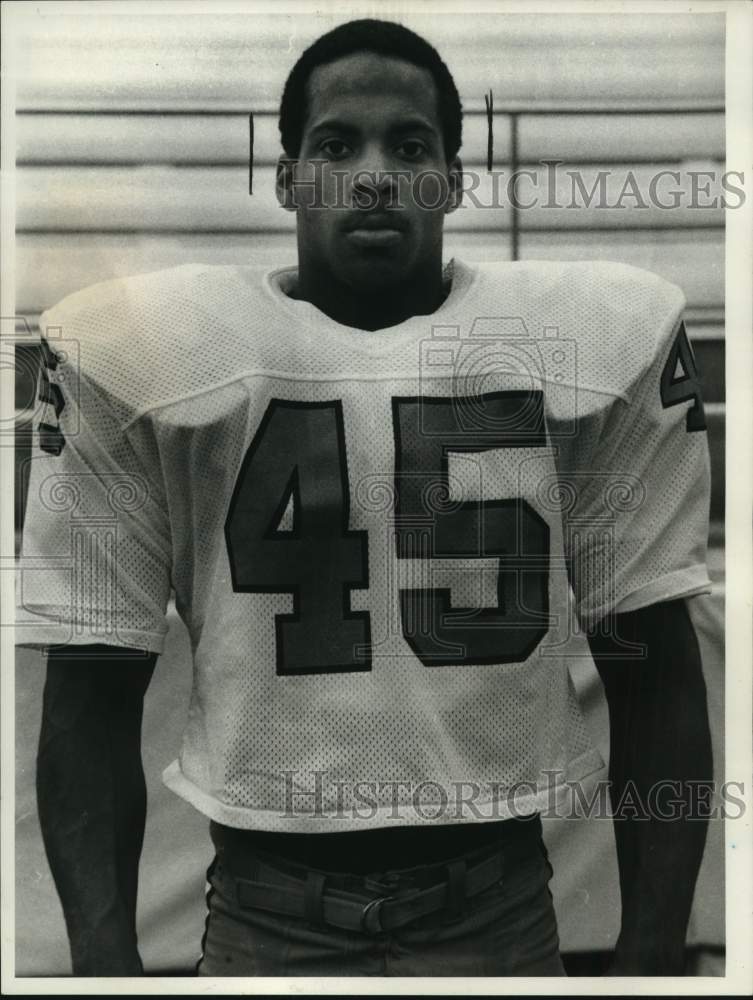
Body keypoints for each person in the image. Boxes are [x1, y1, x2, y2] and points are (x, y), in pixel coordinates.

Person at [17, 17, 713, 978]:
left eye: (410, 146)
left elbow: (657, 676)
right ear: (288, 178)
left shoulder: (588, 342)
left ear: (453, 181)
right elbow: (90, 689)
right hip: (267, 911)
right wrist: (100, 965)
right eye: (336, 146)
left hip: (499, 905)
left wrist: (649, 958)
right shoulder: (153, 355)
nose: (375, 173)